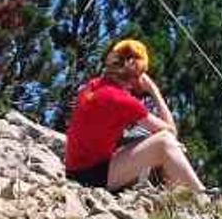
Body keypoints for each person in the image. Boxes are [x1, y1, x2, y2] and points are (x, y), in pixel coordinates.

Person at [64, 38, 206, 193]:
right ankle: (201, 196)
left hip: (76, 168)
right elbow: (170, 131)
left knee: (143, 135)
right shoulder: (121, 99)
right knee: (165, 142)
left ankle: (176, 194)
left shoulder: (93, 85)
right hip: (90, 177)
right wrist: (154, 91)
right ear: (136, 76)